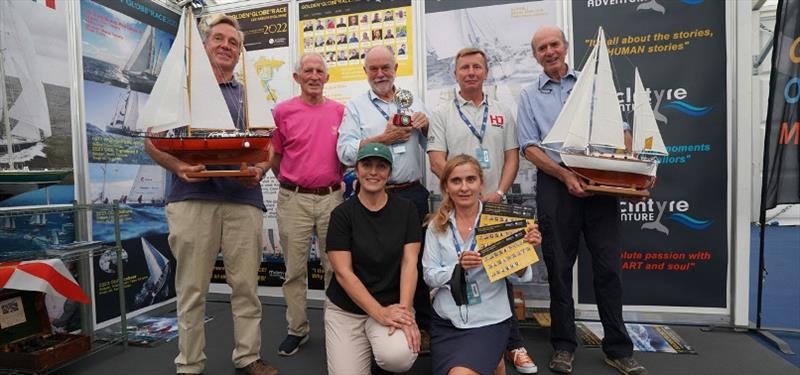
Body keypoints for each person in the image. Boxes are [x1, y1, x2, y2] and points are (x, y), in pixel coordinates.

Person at [144, 14, 276, 375]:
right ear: (204, 46)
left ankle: (248, 356)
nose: (226, 46)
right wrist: (177, 167)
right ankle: (189, 363)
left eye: (233, 43)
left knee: (246, 288)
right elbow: (151, 141)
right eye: (219, 39)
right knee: (191, 289)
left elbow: (268, 149)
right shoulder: (183, 92)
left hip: (244, 202)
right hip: (191, 199)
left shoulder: (249, 97)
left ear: (239, 53)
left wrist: (261, 170)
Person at [516, 25, 646, 375]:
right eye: (541, 47)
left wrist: (632, 175)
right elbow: (530, 146)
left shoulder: (592, 83)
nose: (549, 51)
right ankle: (563, 346)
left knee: (607, 269)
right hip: (557, 186)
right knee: (559, 269)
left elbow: (621, 131)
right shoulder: (528, 96)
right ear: (535, 55)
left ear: (566, 46)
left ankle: (618, 349)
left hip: (601, 185)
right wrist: (565, 175)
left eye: (553, 44)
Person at [427, 47, 537, 374]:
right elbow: (436, 159)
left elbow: (513, 157)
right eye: (464, 67)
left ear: (486, 72)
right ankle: (495, 347)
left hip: (494, 202)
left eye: (477, 66)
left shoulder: (503, 110)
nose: (471, 72)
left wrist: (498, 192)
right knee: (463, 265)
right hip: (459, 200)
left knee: (501, 269)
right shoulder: (442, 113)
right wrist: (460, 188)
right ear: (456, 73)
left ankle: (512, 344)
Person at [336, 45, 433, 353]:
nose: (380, 74)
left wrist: (427, 126)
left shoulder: (412, 99)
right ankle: (371, 319)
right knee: (372, 262)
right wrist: (383, 138)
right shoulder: (355, 106)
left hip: (411, 194)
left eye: (385, 67)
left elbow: (433, 142)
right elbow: (345, 152)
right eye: (374, 68)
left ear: (395, 68)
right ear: (365, 72)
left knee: (415, 262)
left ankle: (419, 325)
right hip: (373, 196)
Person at [423, 155, 541, 375]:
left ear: (481, 183)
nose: (464, 187)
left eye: (471, 179)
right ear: (446, 186)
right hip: (448, 321)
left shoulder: (500, 221)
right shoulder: (436, 226)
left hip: (490, 319)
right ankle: (494, 363)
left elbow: (518, 276)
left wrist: (525, 252)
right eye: (456, 181)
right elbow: (429, 276)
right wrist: (457, 269)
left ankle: (492, 357)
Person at [271, 52, 346, 358]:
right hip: (294, 199)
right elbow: (275, 159)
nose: (314, 76)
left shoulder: (341, 111)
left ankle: (336, 328)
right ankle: (297, 330)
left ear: (327, 78)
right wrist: (295, 184)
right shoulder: (282, 111)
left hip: (332, 199)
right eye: (308, 71)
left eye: (319, 71)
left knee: (335, 268)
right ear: (297, 77)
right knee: (294, 271)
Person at [325, 143, 421, 374]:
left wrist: (405, 314)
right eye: (366, 165)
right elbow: (343, 273)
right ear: (356, 170)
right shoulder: (342, 215)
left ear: (389, 173)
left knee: (398, 357)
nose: (373, 172)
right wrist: (379, 313)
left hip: (391, 303)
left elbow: (410, 263)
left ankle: (377, 341)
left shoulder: (407, 210)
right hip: (347, 309)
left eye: (381, 166)